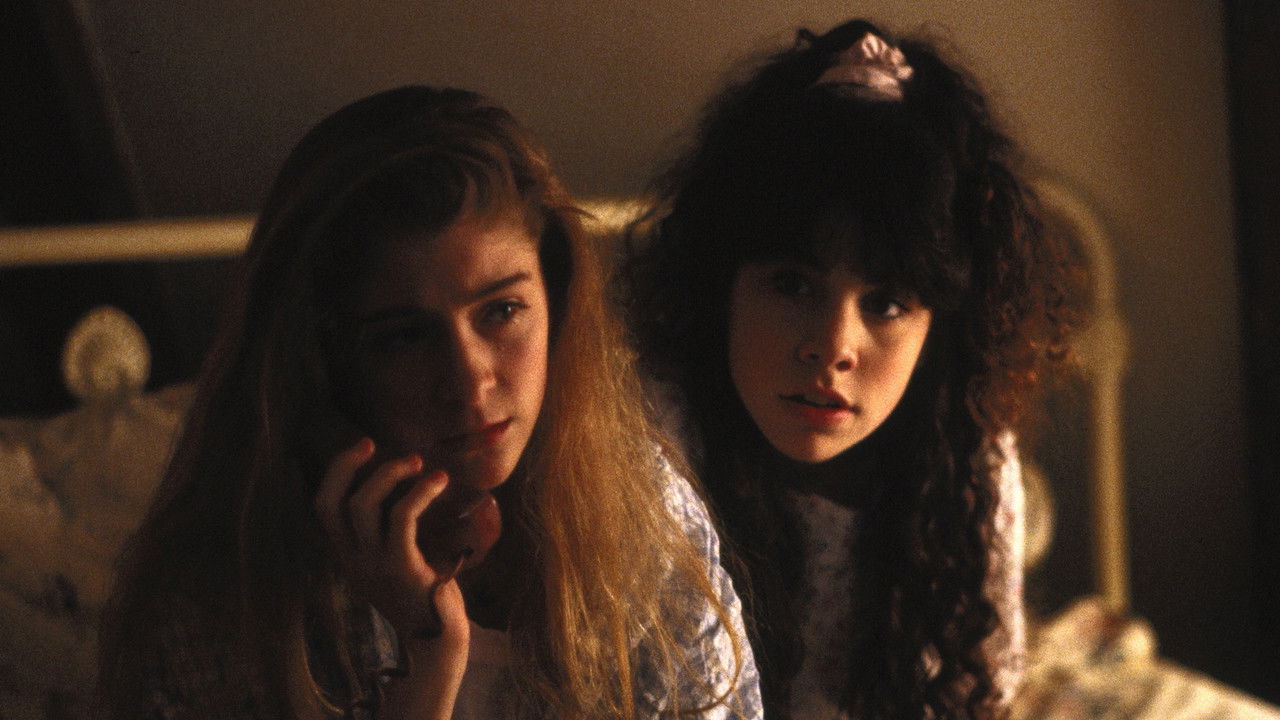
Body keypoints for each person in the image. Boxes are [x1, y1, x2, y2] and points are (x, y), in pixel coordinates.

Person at [99, 86, 761, 720]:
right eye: (405, 337)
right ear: (323, 358)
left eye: (502, 311)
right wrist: (429, 661)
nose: (469, 383)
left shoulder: (639, 511)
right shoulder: (223, 601)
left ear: (555, 302)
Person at [626, 19, 1081, 720]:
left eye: (886, 303)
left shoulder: (968, 468)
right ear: (720, 285)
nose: (833, 346)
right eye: (792, 285)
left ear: (941, 328)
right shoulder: (655, 441)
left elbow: (975, 700)